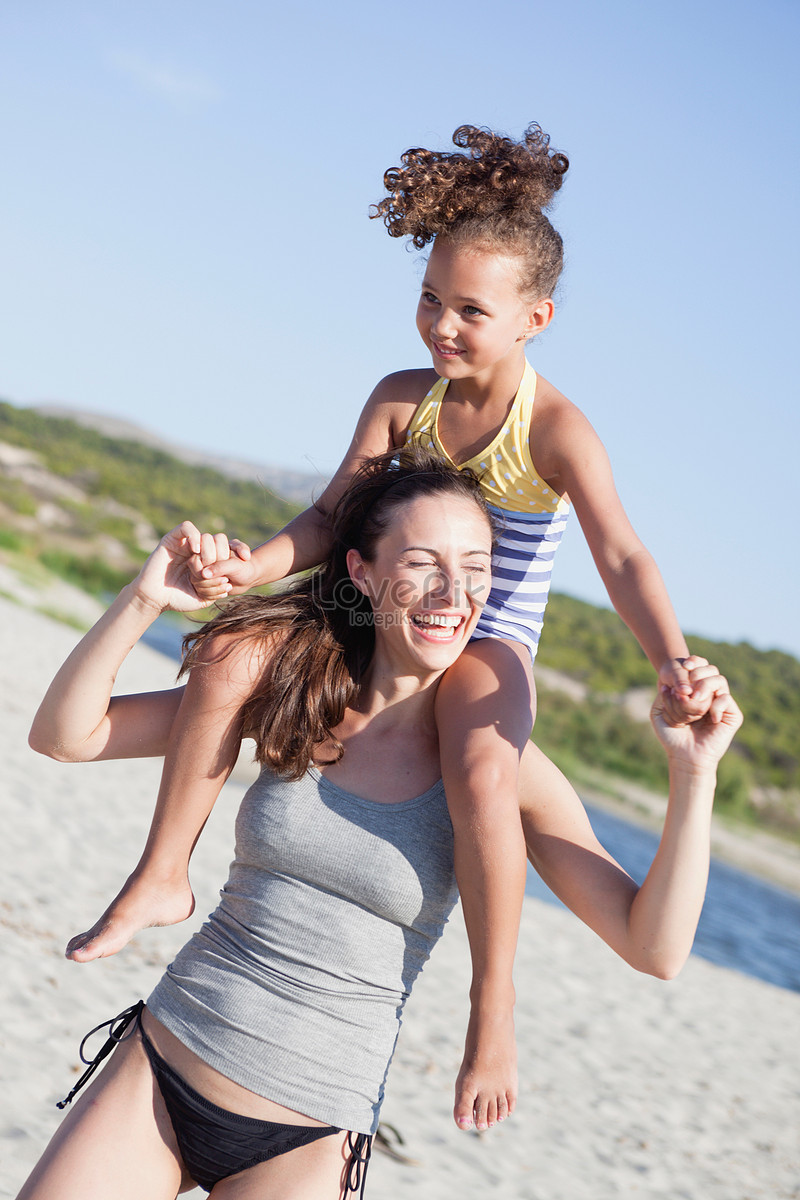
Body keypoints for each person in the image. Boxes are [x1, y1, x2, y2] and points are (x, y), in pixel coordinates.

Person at [61, 123, 712, 1132]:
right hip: (377, 601)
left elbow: (621, 556)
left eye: (470, 312)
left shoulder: (553, 429)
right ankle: (160, 874)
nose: (440, 326)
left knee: (487, 769)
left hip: (490, 631)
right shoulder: (400, 397)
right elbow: (329, 522)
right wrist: (249, 569)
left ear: (534, 318)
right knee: (233, 648)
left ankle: (489, 1010)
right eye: (428, 300)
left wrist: (670, 662)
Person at [22, 449, 741, 1199]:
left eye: (475, 568)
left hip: (308, 1131)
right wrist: (142, 601)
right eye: (424, 562)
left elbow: (653, 947)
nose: (453, 591)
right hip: (164, 1064)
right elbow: (66, 735)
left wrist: (694, 775)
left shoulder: (496, 769)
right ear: (362, 572)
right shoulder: (295, 692)